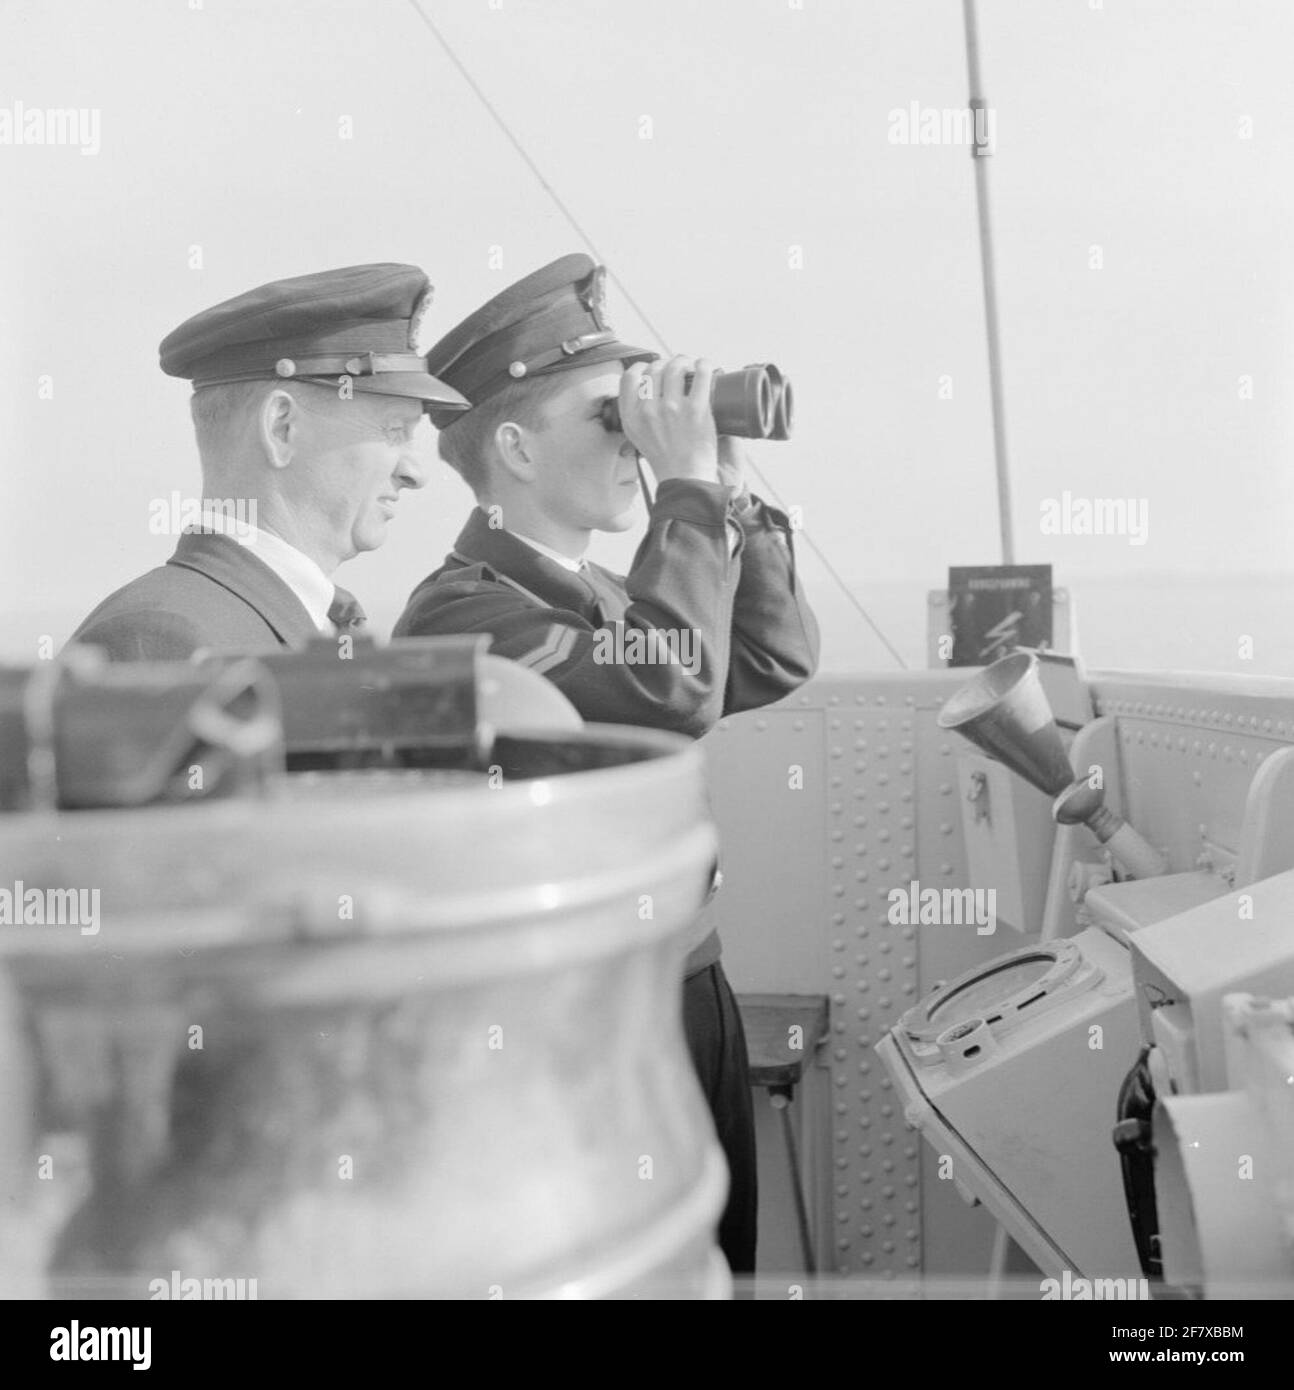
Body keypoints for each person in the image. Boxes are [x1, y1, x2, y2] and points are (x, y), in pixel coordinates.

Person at [393, 253, 820, 1272]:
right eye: (608, 417)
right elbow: (672, 691)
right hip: (590, 1014)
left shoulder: (603, 595)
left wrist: (721, 484)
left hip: (689, 979)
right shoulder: (464, 610)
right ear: (513, 448)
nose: (634, 442)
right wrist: (681, 489)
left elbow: (767, 659)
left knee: (717, 1262)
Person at [70, 264, 467, 661]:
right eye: (394, 431)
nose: (415, 473)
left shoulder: (312, 622)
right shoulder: (164, 639)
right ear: (282, 428)